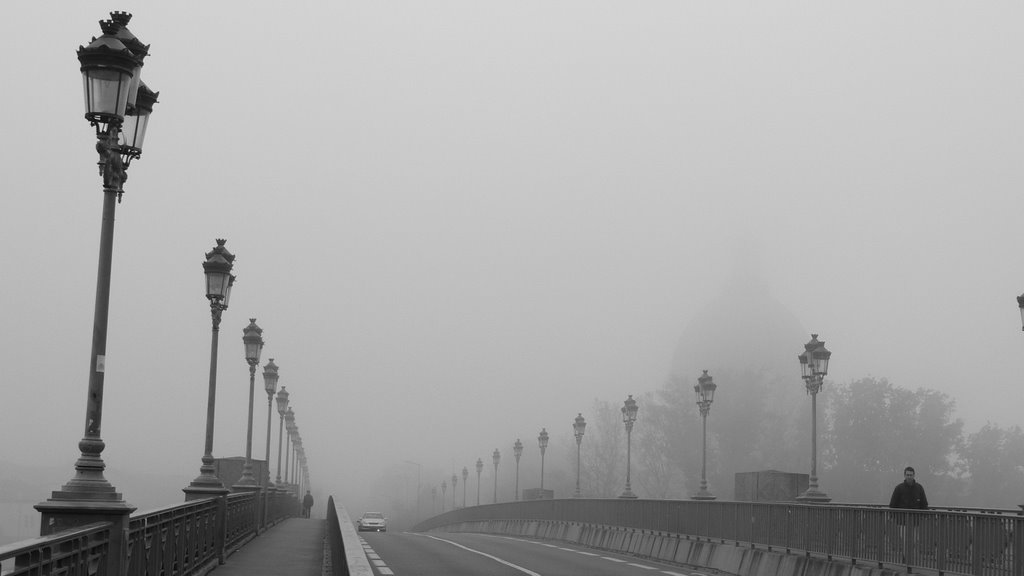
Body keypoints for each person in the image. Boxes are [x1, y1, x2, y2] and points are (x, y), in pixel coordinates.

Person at [889, 466, 927, 561]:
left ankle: (906, 557)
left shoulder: (919, 488)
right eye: (907, 475)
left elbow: (924, 504)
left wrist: (922, 516)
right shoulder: (899, 488)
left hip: (915, 521)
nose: (909, 477)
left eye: (911, 475)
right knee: (906, 540)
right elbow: (892, 504)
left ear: (914, 475)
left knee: (914, 541)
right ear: (904, 475)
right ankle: (907, 560)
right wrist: (895, 517)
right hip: (902, 521)